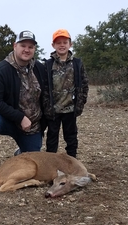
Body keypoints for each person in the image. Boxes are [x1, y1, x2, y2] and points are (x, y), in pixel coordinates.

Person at [0, 30, 47, 181]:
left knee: (35, 161)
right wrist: (20, 117)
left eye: (31, 47)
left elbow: (47, 98)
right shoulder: (1, 69)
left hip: (32, 126)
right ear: (15, 46)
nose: (27, 50)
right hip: (8, 121)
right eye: (23, 45)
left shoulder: (40, 68)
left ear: (34, 49)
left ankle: (22, 150)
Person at [42, 29, 89, 158]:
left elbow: (84, 84)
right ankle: (50, 163)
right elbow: (44, 86)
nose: (62, 45)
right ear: (53, 45)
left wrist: (81, 102)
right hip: (53, 110)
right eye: (58, 43)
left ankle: (72, 162)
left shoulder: (77, 63)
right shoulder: (47, 64)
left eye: (65, 42)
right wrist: (46, 106)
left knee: (71, 137)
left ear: (70, 44)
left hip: (70, 109)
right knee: (52, 138)